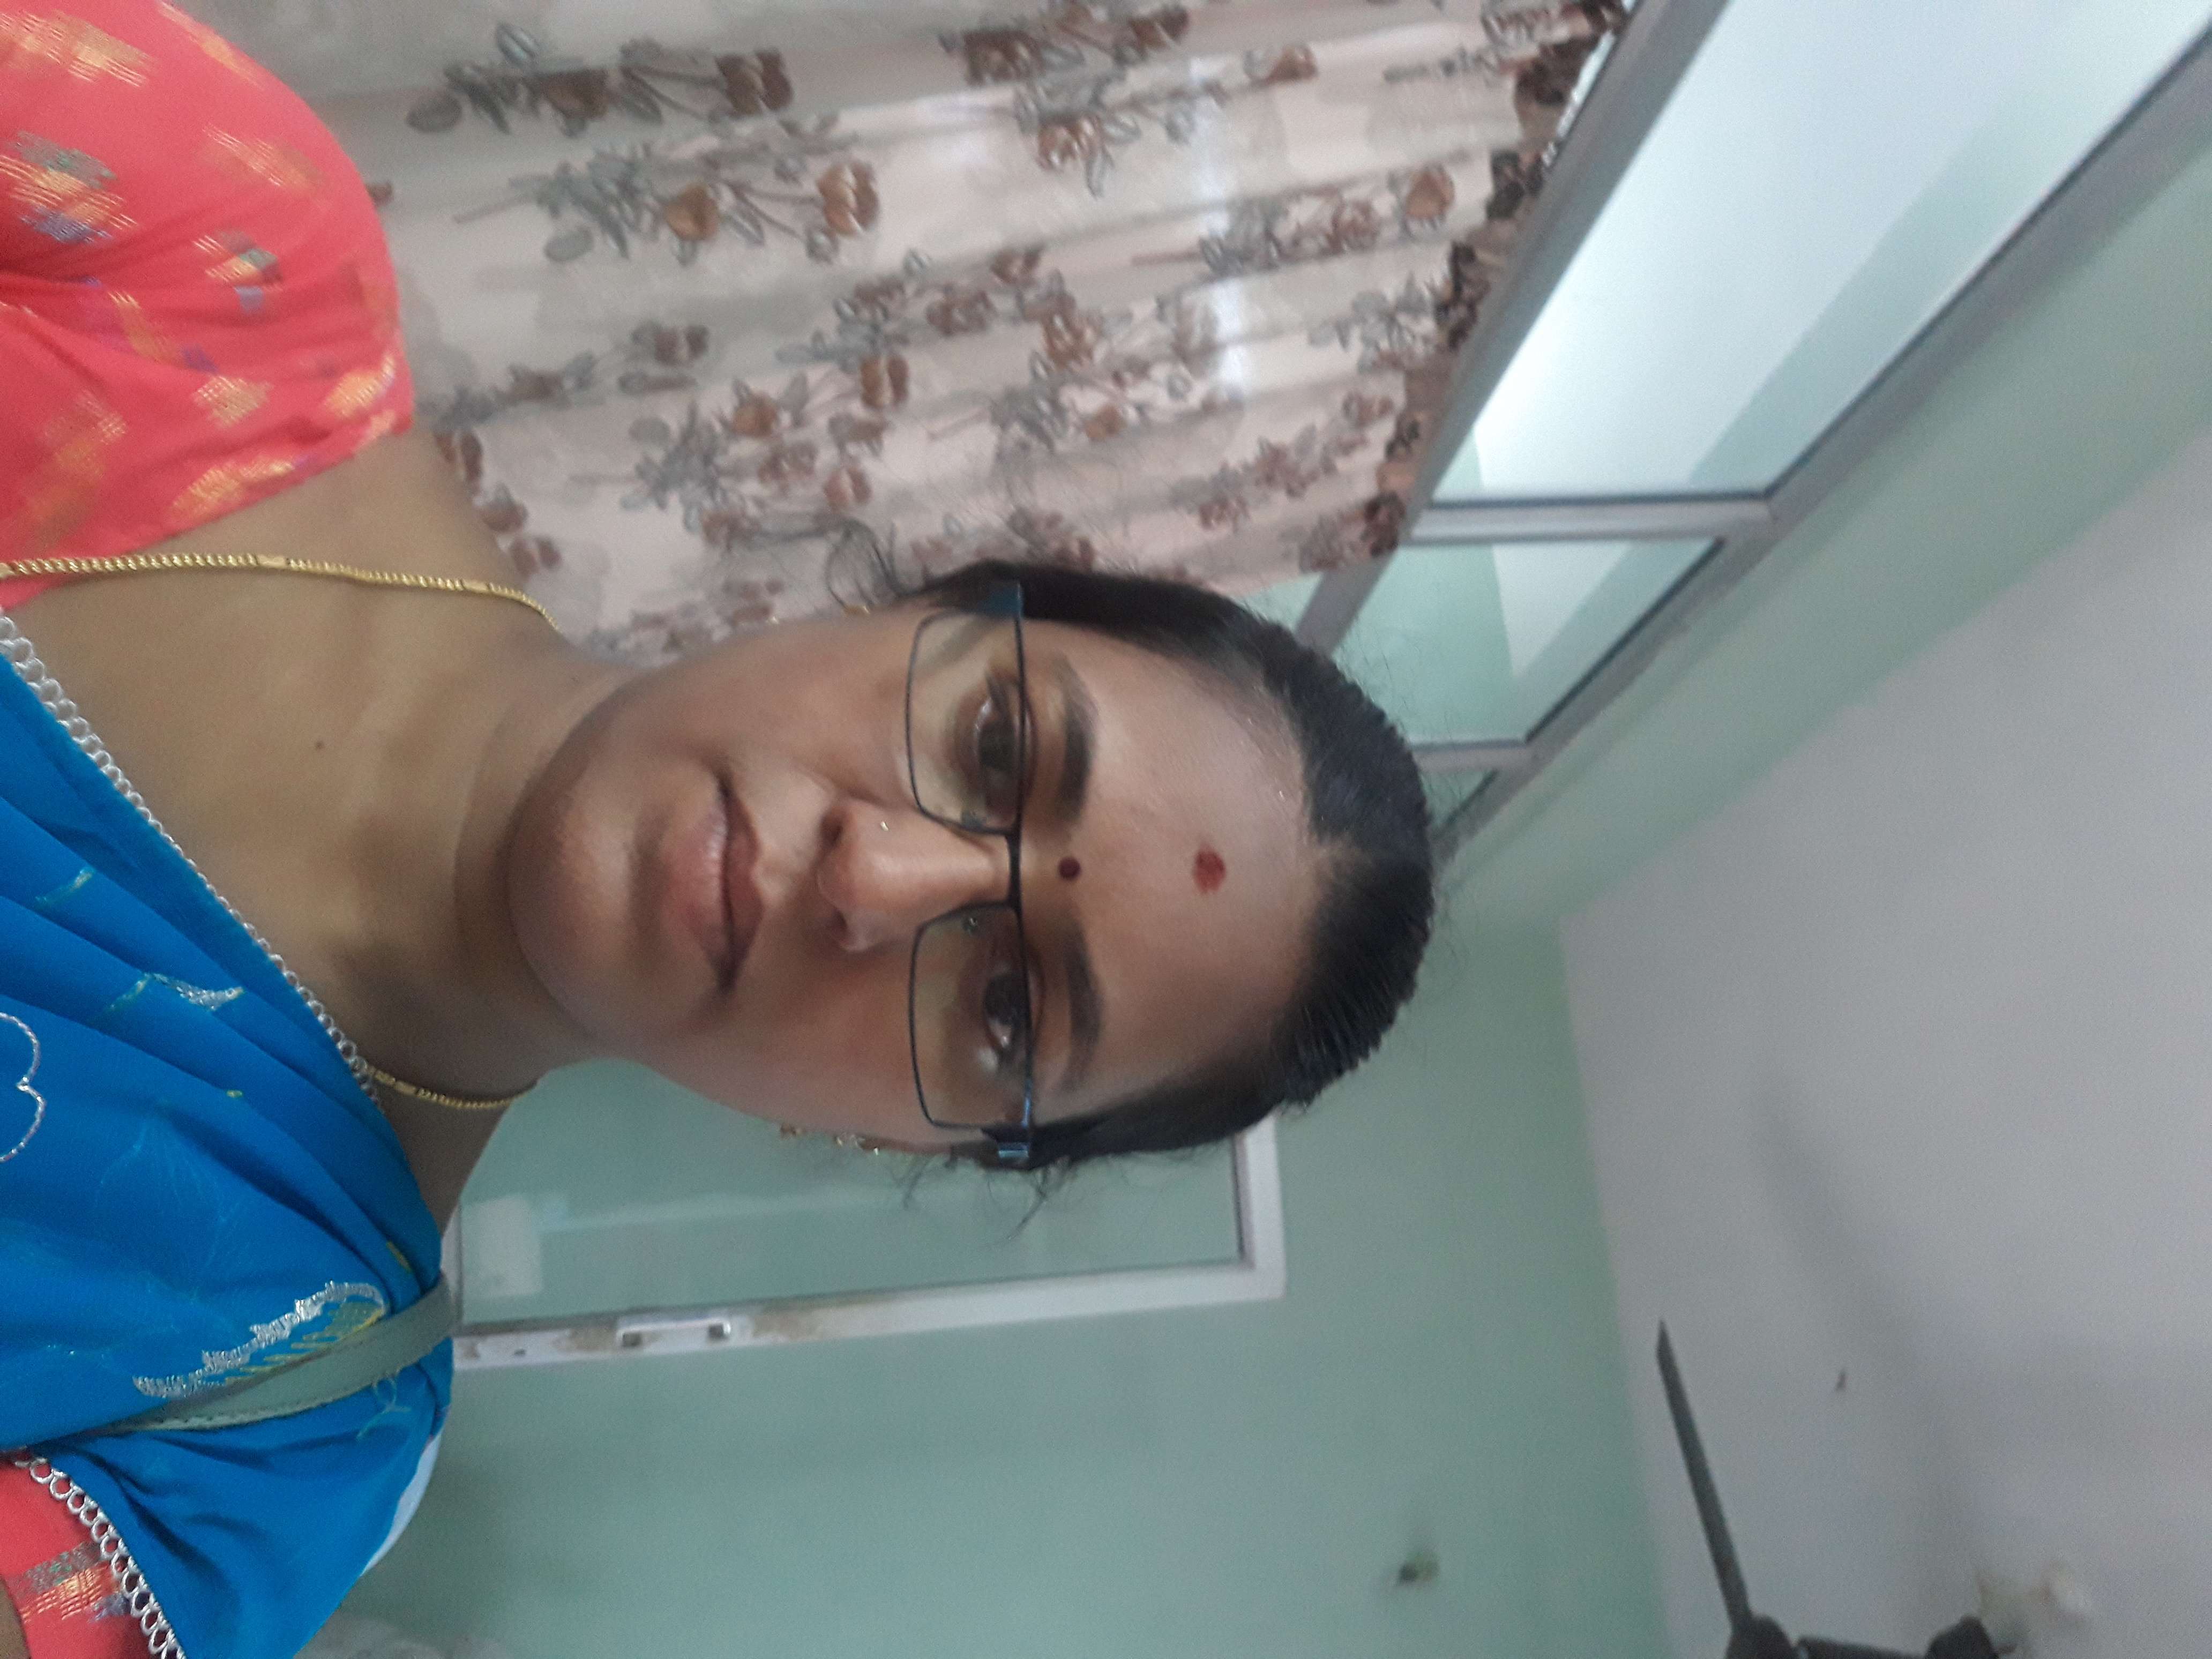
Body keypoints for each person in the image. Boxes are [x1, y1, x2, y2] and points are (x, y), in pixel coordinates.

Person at [0, 4, 1435, 1657]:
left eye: (1005, 1008)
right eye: (995, 745)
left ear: (914, 1142)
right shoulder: (208, 257)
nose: (877, 878)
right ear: (932, 598)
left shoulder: (255, 1445)